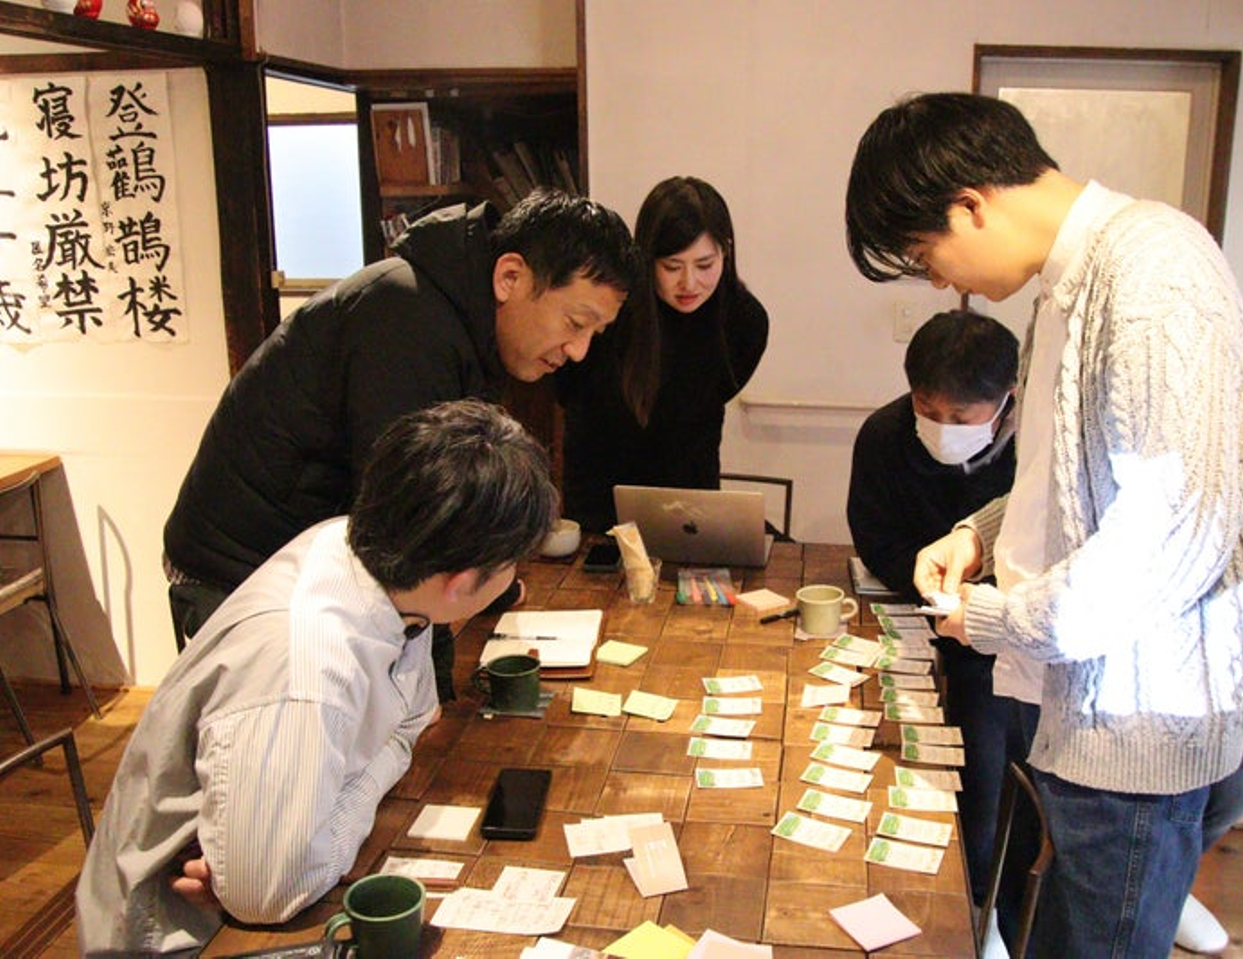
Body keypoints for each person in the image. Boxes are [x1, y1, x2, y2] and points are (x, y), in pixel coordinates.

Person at [845, 92, 1243, 957]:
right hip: (1086, 706)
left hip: (1137, 724)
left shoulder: (1153, 277)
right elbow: (1071, 483)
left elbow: (1171, 536)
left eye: (926, 254)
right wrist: (979, 533)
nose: (940, 282)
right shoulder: (1071, 286)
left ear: (970, 205)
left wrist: (996, 617)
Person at [77, 399, 558, 955]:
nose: (513, 575)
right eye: (511, 564)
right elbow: (268, 896)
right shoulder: (306, 669)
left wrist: (332, 814)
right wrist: (358, 794)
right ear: (460, 582)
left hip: (240, 906)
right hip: (184, 938)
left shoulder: (377, 559)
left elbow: (415, 718)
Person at [163, 188, 649, 700]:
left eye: (595, 333)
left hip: (300, 569)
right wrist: (428, 694)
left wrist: (490, 588)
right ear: (510, 277)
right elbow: (411, 527)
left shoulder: (458, 315)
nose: (579, 350)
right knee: (291, 741)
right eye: (575, 323)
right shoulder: (407, 319)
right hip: (240, 571)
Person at [845, 308, 1017, 925]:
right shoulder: (884, 434)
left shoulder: (1034, 452)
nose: (942, 427)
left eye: (961, 418)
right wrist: (927, 588)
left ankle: (980, 906)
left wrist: (976, 599)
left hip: (999, 631)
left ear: (1006, 398)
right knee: (874, 750)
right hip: (907, 608)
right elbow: (872, 536)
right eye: (927, 407)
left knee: (984, 777)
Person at [556, 176, 768, 531]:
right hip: (599, 506)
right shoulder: (609, 312)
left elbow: (709, 402)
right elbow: (568, 392)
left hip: (692, 507)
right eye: (671, 266)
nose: (689, 283)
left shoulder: (744, 320)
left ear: (725, 251)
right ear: (646, 257)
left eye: (705, 264)